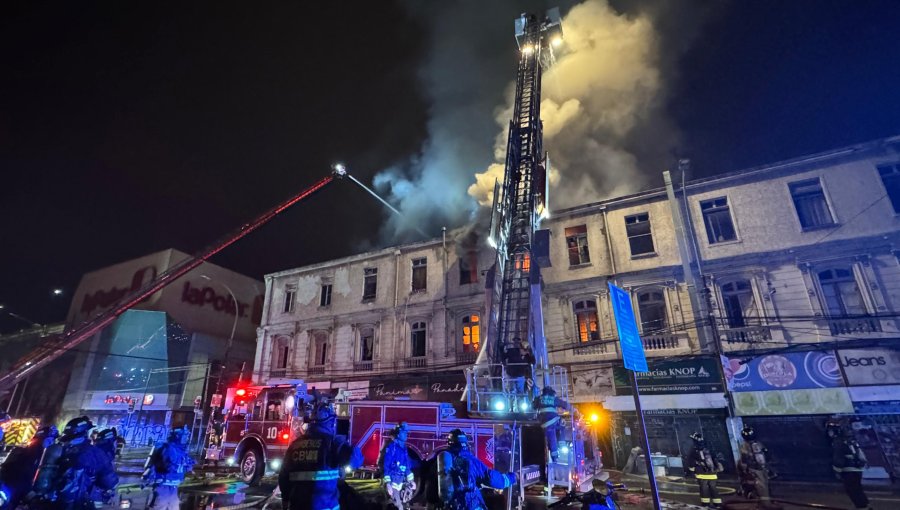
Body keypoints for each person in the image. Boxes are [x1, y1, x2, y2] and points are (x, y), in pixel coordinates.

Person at [278, 400, 363, 510]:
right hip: (325, 506)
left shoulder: (295, 445)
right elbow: (355, 461)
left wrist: (285, 500)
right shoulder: (332, 443)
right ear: (331, 422)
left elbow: (283, 477)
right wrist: (347, 444)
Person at [33, 416, 118, 510]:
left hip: (54, 502)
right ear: (85, 432)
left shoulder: (56, 449)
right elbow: (108, 480)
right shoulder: (95, 453)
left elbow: (42, 481)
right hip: (83, 502)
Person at [436, 429, 516, 510]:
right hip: (470, 505)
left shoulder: (441, 461)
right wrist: (513, 477)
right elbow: (493, 479)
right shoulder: (470, 460)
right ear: (465, 443)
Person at [0, 425, 58, 508]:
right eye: (50, 440)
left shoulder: (37, 451)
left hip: (12, 488)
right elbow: (23, 474)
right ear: (43, 438)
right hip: (12, 488)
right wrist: (28, 492)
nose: (51, 443)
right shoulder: (34, 452)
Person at [142, 426, 194, 509]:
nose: (187, 438)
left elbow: (186, 465)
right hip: (163, 485)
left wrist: (188, 466)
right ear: (178, 436)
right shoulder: (168, 449)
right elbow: (162, 465)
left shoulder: (181, 450)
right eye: (185, 436)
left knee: (173, 506)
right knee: (160, 506)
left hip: (173, 486)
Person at [828, 419, 872, 510]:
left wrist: (837, 471)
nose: (829, 433)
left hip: (848, 470)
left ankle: (861, 507)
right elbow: (860, 454)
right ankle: (865, 506)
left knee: (852, 490)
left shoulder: (838, 442)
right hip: (857, 469)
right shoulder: (850, 440)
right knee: (857, 489)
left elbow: (838, 459)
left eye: (830, 430)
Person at [378, 422, 415, 510]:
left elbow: (406, 466)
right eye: (404, 432)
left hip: (400, 482)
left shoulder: (404, 448)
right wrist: (388, 484)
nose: (406, 435)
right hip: (392, 483)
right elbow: (386, 466)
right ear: (398, 434)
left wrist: (411, 481)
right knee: (397, 507)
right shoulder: (391, 447)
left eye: (407, 432)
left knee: (404, 506)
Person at [738, 425, 773, 504]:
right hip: (762, 468)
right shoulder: (759, 444)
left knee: (760, 485)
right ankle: (765, 500)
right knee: (763, 484)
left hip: (754, 469)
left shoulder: (744, 446)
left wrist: (745, 470)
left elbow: (744, 459)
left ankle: (765, 502)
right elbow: (767, 454)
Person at [687, 432, 723, 509]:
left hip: (701, 473)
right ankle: (718, 504)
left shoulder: (694, 450)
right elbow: (715, 458)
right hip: (712, 472)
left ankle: (705, 504)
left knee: (704, 488)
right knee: (713, 488)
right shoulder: (708, 448)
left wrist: (692, 471)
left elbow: (691, 462)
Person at [533, 386, 569, 462]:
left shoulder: (539, 398)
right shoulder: (553, 399)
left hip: (542, 422)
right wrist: (574, 410)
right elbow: (565, 405)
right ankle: (560, 447)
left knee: (548, 436)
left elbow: (533, 406)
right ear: (552, 393)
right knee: (561, 426)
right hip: (553, 420)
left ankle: (547, 456)